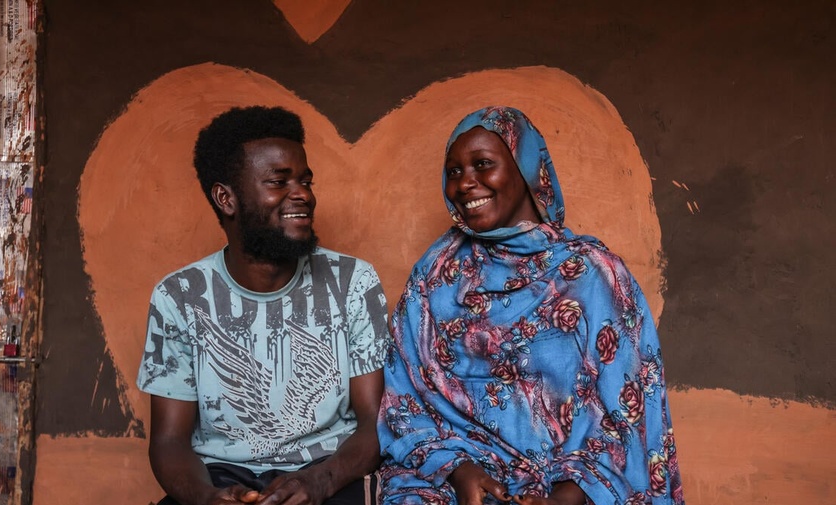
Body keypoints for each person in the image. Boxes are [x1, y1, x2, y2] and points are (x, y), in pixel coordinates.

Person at [377, 106, 684, 505]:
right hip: (452, 479)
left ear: (525, 170)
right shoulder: (435, 273)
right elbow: (403, 398)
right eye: (453, 171)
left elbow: (625, 412)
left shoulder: (593, 275)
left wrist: (565, 498)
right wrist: (459, 472)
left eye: (482, 164)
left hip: (571, 487)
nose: (465, 183)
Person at [137, 106, 388, 505]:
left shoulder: (353, 282)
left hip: (330, 470)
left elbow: (375, 423)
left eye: (305, 181)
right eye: (278, 181)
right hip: (219, 475)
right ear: (226, 198)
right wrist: (207, 498)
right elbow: (169, 442)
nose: (303, 194)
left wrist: (320, 483)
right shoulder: (180, 295)